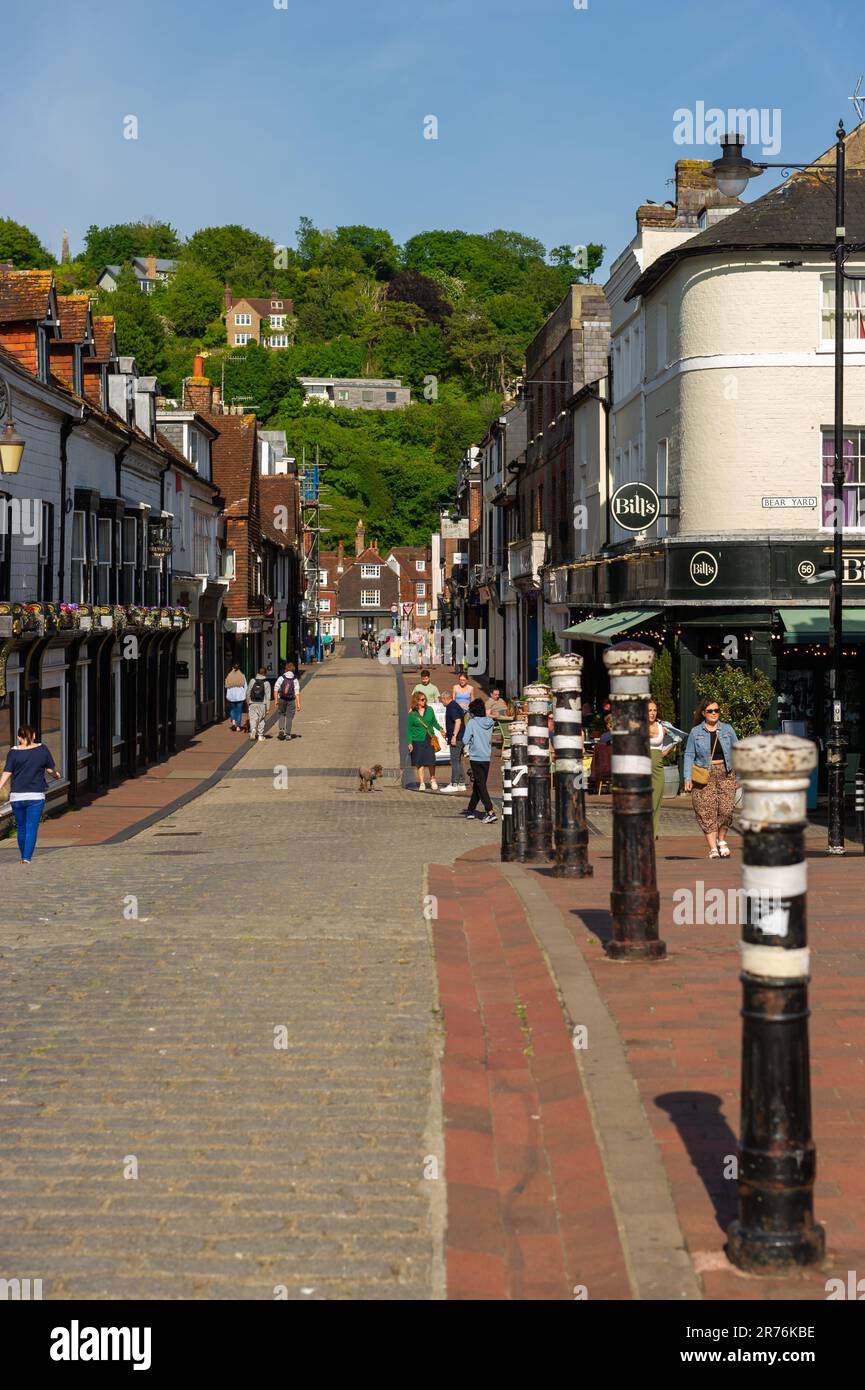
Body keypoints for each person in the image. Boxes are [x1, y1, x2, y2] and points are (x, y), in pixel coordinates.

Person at [683, 697, 739, 859]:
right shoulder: (696, 732)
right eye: (710, 711)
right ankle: (713, 847)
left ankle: (721, 840)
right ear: (703, 713)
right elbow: (689, 755)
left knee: (727, 810)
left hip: (726, 773)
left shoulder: (727, 729)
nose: (714, 713)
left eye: (716, 710)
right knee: (706, 809)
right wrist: (687, 777)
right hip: (704, 774)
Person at [0, 725, 62, 863]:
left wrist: (0, 785)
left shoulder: (13, 753)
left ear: (18, 738)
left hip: (17, 797)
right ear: (34, 735)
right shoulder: (42, 749)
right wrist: (57, 775)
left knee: (21, 827)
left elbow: (7, 772)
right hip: (35, 797)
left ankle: (24, 855)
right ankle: (26, 858)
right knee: (31, 827)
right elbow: (50, 770)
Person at [647, 700, 682, 839]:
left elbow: (678, 737)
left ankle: (653, 831)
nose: (652, 713)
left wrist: (665, 751)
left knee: (656, 799)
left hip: (657, 767)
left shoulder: (662, 727)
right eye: (649, 710)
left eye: (654, 710)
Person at [461, 698, 496, 823]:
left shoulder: (472, 722)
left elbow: (465, 740)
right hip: (486, 756)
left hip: (475, 757)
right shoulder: (490, 722)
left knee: (481, 785)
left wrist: (471, 742)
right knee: (478, 784)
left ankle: (490, 811)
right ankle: (471, 810)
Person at [407, 691, 441, 791]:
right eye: (422, 699)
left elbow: (434, 722)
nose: (424, 701)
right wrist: (409, 742)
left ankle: (433, 779)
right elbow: (408, 730)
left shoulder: (429, 710)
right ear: (416, 701)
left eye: (425, 699)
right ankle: (422, 782)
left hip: (429, 738)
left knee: (431, 761)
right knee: (420, 762)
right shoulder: (412, 714)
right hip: (417, 740)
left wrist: (441, 729)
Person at [441, 694, 467, 793]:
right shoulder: (455, 705)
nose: (441, 703)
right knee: (458, 761)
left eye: (441, 700)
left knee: (454, 760)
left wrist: (454, 736)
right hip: (459, 737)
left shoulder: (451, 707)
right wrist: (448, 734)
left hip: (457, 739)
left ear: (445, 699)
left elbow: (458, 721)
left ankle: (454, 783)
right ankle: (461, 783)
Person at [273, 663, 301, 740]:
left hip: (282, 699)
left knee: (282, 714)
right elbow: (297, 692)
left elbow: (275, 689)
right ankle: (288, 734)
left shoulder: (281, 678)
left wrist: (276, 700)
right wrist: (298, 704)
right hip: (291, 700)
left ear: (286, 669)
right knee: (289, 717)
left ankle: (281, 729)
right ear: (293, 670)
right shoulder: (295, 679)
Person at [246, 667, 272, 742]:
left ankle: (253, 729)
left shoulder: (252, 681)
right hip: (262, 704)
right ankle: (260, 735)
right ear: (265, 673)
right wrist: (268, 708)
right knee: (261, 719)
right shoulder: (266, 683)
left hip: (252, 703)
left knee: (253, 718)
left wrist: (248, 702)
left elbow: (248, 692)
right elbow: (268, 696)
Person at [225, 664, 247, 732]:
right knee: (239, 711)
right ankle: (238, 726)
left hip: (231, 696)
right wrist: (245, 694)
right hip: (240, 696)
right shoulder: (242, 676)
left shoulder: (229, 676)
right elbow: (245, 686)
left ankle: (233, 721)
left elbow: (226, 685)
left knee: (232, 709)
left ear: (232, 668)